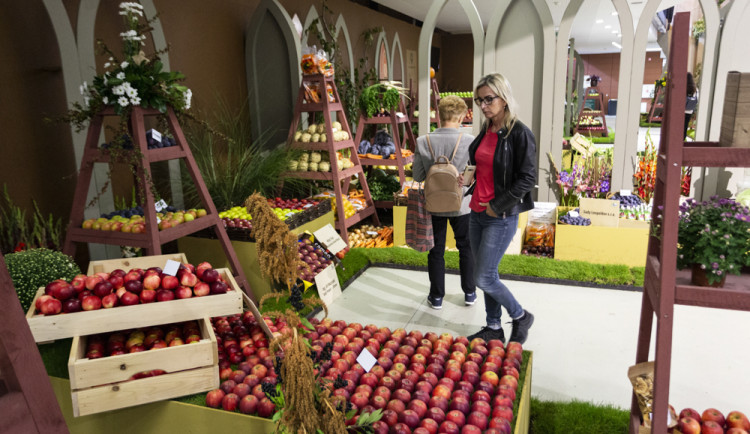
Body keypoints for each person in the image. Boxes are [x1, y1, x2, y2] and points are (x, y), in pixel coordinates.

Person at [465, 73, 536, 344]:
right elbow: (484, 166)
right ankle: (493, 327)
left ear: (503, 98)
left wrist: (497, 206)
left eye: (489, 99)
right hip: (476, 212)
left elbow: (528, 178)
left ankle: (520, 316)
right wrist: (468, 177)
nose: (483, 105)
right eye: (479, 100)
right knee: (487, 274)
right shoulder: (486, 130)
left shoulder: (520, 133)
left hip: (500, 216)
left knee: (483, 276)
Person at [412, 95, 476, 310]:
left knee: (436, 250)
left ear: (439, 115)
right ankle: (469, 293)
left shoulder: (423, 141)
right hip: (462, 204)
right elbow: (473, 174)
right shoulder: (469, 141)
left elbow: (419, 176)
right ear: (461, 116)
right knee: (466, 247)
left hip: (434, 204)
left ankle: (437, 297)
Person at [684, 72, 698, 139]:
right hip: (689, 111)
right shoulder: (695, 89)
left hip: (681, 111)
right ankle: (682, 140)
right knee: (685, 128)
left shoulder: (683, 87)